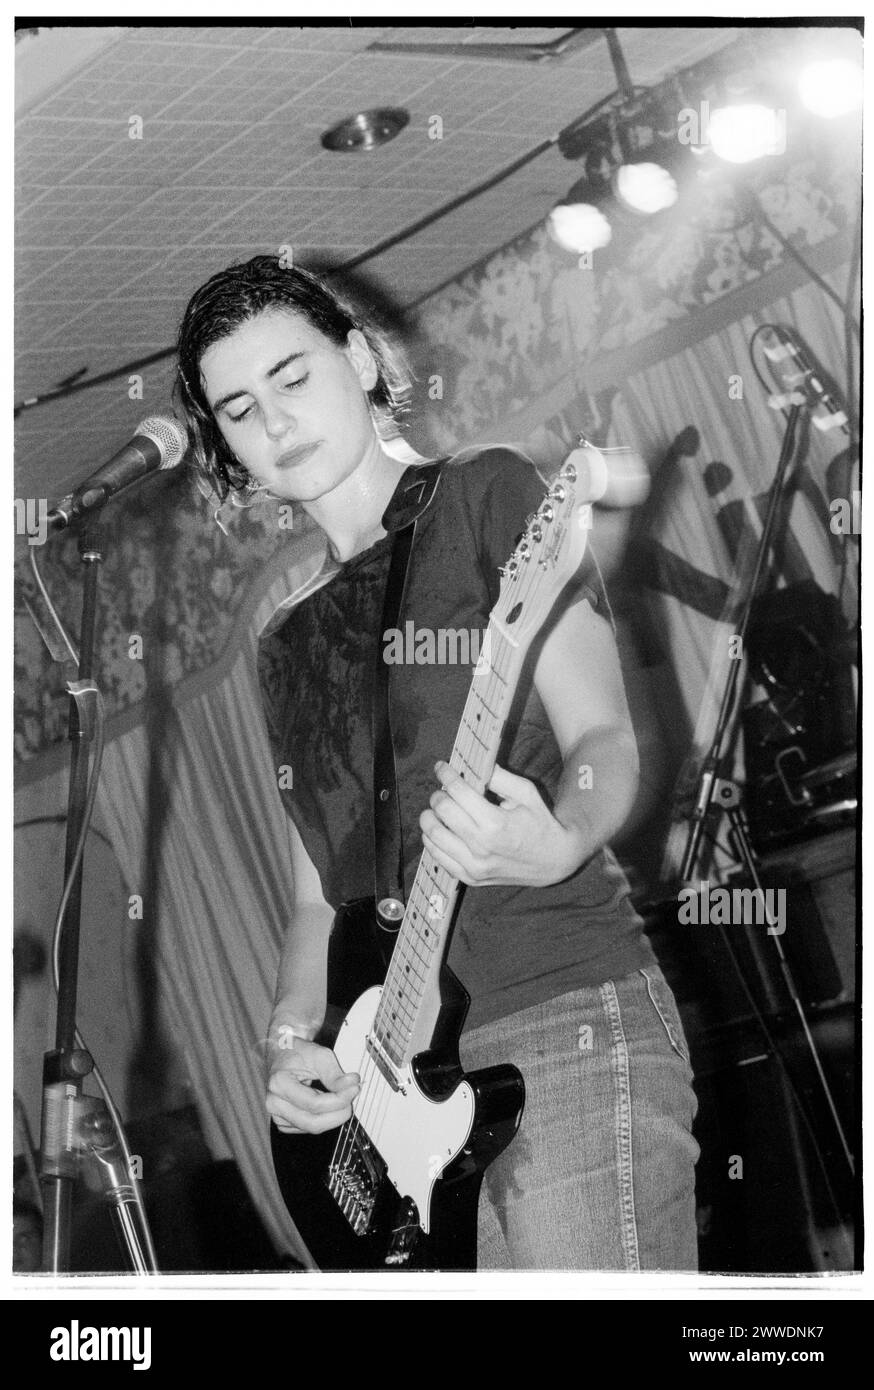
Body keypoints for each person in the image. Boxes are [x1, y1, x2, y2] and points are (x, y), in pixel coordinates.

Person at [175, 253, 699, 1271]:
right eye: (238, 408)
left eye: (292, 378)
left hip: (561, 1015)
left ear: (363, 361)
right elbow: (315, 902)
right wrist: (291, 1040)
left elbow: (604, 742)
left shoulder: (485, 496)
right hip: (394, 1097)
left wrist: (555, 839)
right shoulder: (282, 640)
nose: (273, 421)